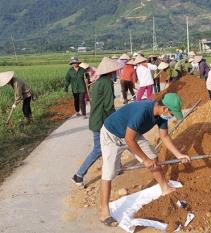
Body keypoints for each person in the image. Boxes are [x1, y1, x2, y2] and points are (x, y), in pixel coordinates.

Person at [98, 93, 191, 226]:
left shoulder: (161, 116)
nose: (171, 116)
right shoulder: (142, 112)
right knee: (109, 172)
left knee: (153, 157)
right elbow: (129, 140)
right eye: (172, 113)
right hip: (112, 135)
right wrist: (144, 160)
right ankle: (104, 211)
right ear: (165, 108)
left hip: (131, 134)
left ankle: (164, 187)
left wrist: (179, 155)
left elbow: (164, 137)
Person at [72, 57, 122, 187]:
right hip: (101, 121)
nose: (116, 73)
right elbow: (108, 105)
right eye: (115, 71)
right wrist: (117, 119)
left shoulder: (99, 81)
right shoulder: (107, 83)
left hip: (97, 119)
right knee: (98, 149)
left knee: (113, 143)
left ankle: (117, 167)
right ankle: (78, 175)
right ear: (111, 72)